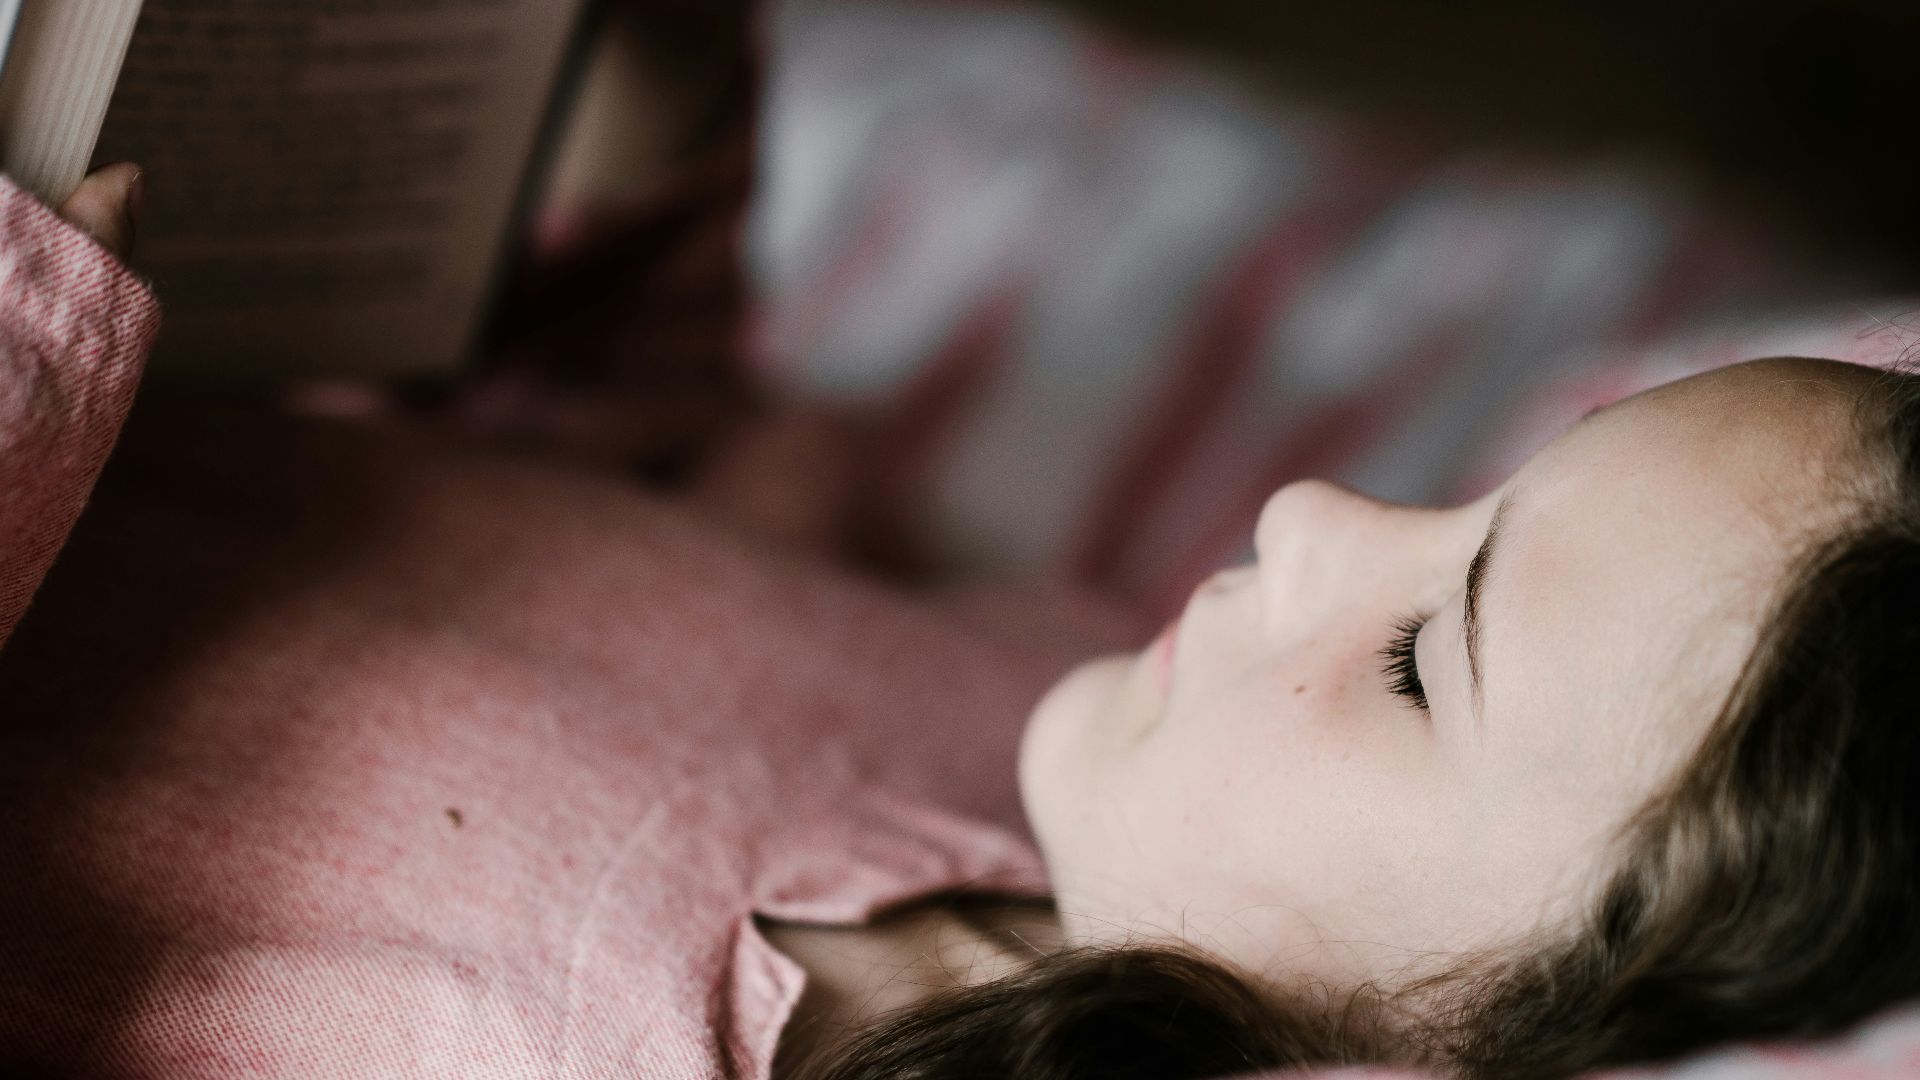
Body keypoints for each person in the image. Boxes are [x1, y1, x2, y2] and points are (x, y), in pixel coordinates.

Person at [0, 164, 1915, 1080]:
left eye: (1425, 662)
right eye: (1475, 502)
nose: (1312, 514)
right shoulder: (1058, 723)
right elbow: (601, 499)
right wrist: (600, 198)